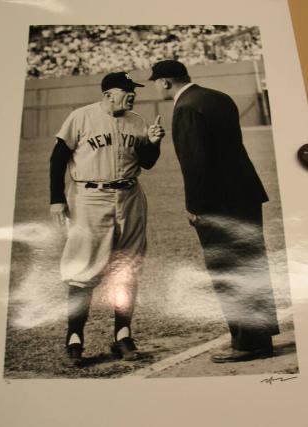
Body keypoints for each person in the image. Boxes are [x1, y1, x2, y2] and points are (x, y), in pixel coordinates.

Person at [149, 60, 279, 363]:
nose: (156, 86)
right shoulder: (218, 97)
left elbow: (196, 164)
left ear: (165, 82)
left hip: (218, 204)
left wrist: (195, 206)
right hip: (245, 194)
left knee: (229, 270)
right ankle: (259, 335)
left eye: (156, 81)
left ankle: (249, 343)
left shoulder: (185, 108)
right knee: (252, 264)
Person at [49, 71, 165, 366]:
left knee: (127, 266)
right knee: (82, 268)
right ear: (107, 95)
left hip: (130, 197)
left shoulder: (137, 121)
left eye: (133, 90)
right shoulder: (81, 117)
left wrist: (153, 143)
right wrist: (56, 199)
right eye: (126, 90)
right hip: (90, 198)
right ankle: (74, 338)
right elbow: (58, 158)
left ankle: (122, 336)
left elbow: (147, 164)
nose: (132, 95)